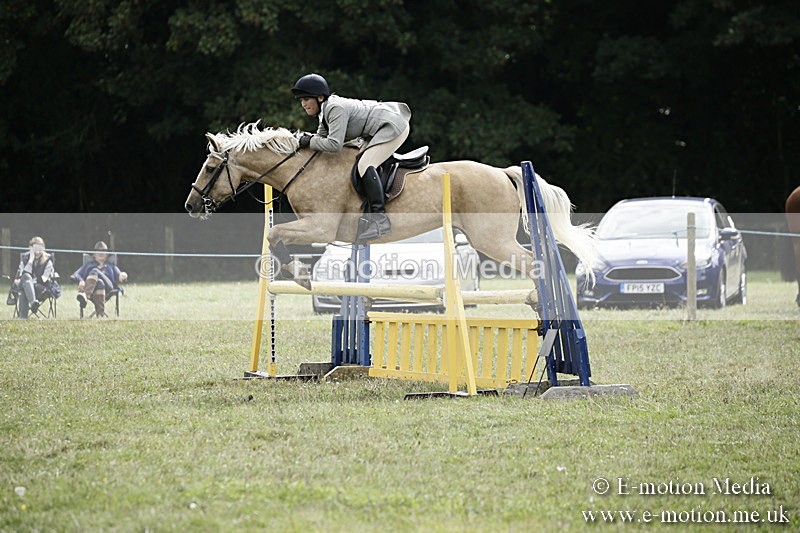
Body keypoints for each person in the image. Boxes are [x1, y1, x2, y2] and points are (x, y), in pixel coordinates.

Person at [292, 73, 412, 241]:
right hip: (376, 129)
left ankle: (380, 219)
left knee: (365, 165)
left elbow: (333, 145)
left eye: (306, 99)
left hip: (391, 125)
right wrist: (303, 142)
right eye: (301, 100)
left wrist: (309, 141)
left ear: (319, 97)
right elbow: (319, 140)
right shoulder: (324, 112)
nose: (303, 104)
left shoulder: (334, 108)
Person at [73, 241, 127, 317]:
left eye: (104, 251)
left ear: (107, 255)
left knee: (95, 271)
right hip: (94, 289)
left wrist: (123, 275)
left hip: (109, 288)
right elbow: (75, 274)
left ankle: (85, 294)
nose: (101, 253)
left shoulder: (110, 265)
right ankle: (100, 315)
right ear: (94, 254)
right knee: (99, 282)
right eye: (98, 251)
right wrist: (81, 280)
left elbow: (120, 275)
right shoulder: (89, 265)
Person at [11, 236, 59, 318]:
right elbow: (23, 274)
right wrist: (30, 260)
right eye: (35, 249)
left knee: (23, 287)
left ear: (43, 249)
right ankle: (33, 303)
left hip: (41, 288)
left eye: (40, 249)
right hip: (27, 287)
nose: (38, 252)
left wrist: (29, 282)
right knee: (25, 280)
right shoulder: (25, 258)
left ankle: (23, 317)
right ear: (30, 248)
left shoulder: (48, 260)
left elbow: (44, 279)